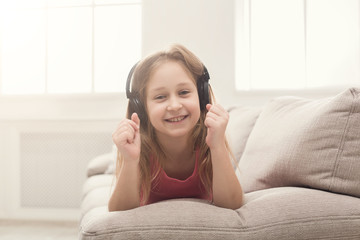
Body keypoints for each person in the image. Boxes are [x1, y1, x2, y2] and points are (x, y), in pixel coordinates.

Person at [108, 44, 243, 211]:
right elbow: (118, 213)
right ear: (142, 108)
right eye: (160, 96)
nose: (174, 105)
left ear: (202, 96)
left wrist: (217, 146)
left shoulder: (210, 139)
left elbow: (233, 204)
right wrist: (130, 161)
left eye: (184, 92)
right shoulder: (140, 150)